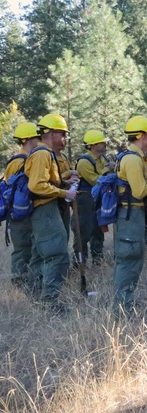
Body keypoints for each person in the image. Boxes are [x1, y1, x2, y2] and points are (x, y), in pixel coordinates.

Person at [24, 113, 78, 311]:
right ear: (51, 133)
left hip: (47, 208)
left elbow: (45, 180)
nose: (64, 138)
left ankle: (34, 298)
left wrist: (63, 181)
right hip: (44, 209)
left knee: (40, 255)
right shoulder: (42, 154)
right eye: (62, 134)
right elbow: (37, 185)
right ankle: (50, 302)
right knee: (57, 255)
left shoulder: (47, 154)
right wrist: (64, 192)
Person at [113, 116, 147, 313]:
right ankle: (123, 307)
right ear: (141, 136)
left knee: (130, 259)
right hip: (130, 215)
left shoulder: (132, 157)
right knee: (130, 259)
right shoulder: (133, 159)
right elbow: (139, 191)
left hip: (131, 214)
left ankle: (124, 302)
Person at [5, 122, 40, 294]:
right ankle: (19, 285)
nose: (39, 141)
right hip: (20, 212)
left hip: (22, 210)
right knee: (22, 248)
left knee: (27, 247)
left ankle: (27, 282)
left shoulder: (19, 159)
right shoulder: (22, 161)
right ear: (29, 140)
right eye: (36, 138)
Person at [76, 130, 113, 265]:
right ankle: (80, 262)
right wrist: (107, 170)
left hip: (99, 198)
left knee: (98, 228)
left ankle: (98, 259)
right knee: (84, 231)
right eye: (101, 142)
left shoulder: (104, 159)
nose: (105, 144)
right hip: (85, 199)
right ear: (92, 145)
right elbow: (95, 181)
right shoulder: (84, 162)